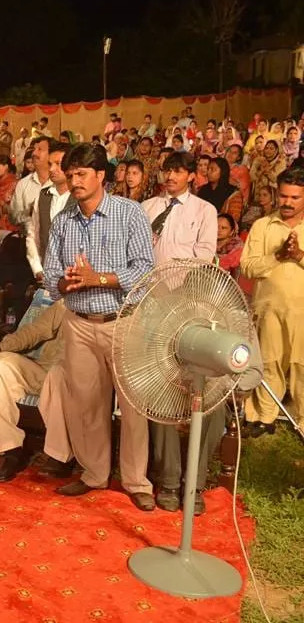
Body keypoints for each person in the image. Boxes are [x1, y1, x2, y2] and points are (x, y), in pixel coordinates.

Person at [42, 143, 156, 511]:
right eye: (70, 174)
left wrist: (99, 278)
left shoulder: (129, 213)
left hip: (123, 322)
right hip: (78, 323)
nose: (73, 181)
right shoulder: (63, 220)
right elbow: (50, 276)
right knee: (87, 404)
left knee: (133, 406)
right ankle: (94, 474)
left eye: (81, 174)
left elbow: (144, 269)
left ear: (101, 176)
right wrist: (67, 283)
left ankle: (137, 480)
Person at [140, 152, 218, 512]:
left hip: (189, 304)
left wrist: (175, 287)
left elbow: (204, 256)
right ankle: (167, 480)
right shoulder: (146, 207)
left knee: (198, 392)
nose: (169, 176)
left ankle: (194, 485)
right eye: (166, 169)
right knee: (159, 387)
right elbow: (137, 252)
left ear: (191, 176)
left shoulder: (204, 211)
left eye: (177, 171)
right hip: (149, 303)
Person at [0, 296, 73, 483]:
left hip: (74, 379)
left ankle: (61, 456)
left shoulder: (112, 311)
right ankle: (11, 450)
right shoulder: (66, 303)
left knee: (58, 375)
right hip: (42, 370)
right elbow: (34, 331)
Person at [240, 165, 304, 435]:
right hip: (268, 307)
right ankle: (265, 415)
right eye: (284, 196)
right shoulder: (263, 225)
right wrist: (277, 257)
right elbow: (247, 267)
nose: (287, 202)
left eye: (294, 197)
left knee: (301, 365)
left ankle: (302, 420)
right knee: (269, 361)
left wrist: (299, 255)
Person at [25, 141, 73, 284]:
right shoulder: (44, 195)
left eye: (58, 164)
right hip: (47, 275)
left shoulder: (79, 197)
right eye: (50, 164)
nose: (52, 169)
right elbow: (33, 235)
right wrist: (38, 269)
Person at [10, 137, 52, 228]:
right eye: (34, 149)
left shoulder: (60, 183)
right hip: (27, 238)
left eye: (39, 149)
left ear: (51, 154)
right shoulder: (23, 184)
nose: (34, 153)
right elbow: (13, 217)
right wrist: (29, 212)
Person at [198, 157, 243, 222]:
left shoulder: (233, 193)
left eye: (212, 169)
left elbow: (234, 219)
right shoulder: (203, 189)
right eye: (208, 169)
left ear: (222, 172)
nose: (208, 172)